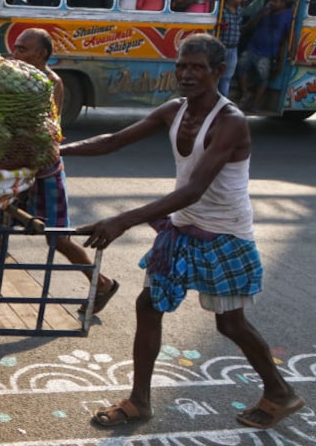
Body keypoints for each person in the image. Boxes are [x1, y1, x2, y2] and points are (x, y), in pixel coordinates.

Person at [62, 33, 304, 430]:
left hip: (224, 234)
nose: (187, 75)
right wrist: (57, 150)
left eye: (197, 68)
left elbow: (193, 189)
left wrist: (122, 220)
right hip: (182, 227)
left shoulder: (231, 123)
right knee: (148, 305)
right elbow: (113, 141)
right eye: (182, 66)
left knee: (230, 324)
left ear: (218, 72)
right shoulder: (173, 110)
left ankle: (279, 392)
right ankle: (139, 401)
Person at [0, 28, 120, 312]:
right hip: (12, 167)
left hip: (42, 170)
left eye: (23, 49)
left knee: (57, 237)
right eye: (16, 48)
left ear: (42, 54)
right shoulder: (14, 77)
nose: (16, 54)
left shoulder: (51, 82)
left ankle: (103, 284)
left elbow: (45, 134)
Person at [235, 0, 293, 111]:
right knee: (241, 67)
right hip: (253, 46)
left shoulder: (288, 15)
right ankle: (245, 94)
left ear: (283, 3)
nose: (272, 3)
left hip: (268, 52)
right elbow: (250, 26)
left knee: (263, 77)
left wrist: (281, 57)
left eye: (276, 1)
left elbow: (287, 38)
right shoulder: (265, 11)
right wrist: (261, 15)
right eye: (271, 0)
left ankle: (255, 103)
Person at [216, 0, 243, 97]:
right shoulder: (221, 9)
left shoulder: (239, 10)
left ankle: (222, 103)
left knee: (227, 78)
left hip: (233, 48)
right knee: (216, 76)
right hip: (221, 47)